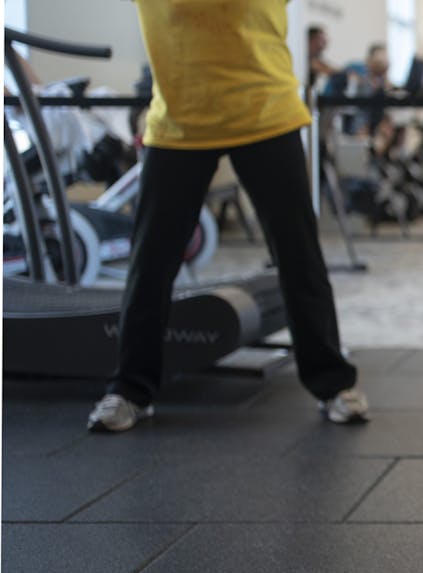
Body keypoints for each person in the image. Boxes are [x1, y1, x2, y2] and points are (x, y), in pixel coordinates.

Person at [87, 0, 368, 432]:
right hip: (180, 122)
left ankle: (332, 382)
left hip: (266, 115)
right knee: (151, 261)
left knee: (299, 256)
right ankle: (129, 389)